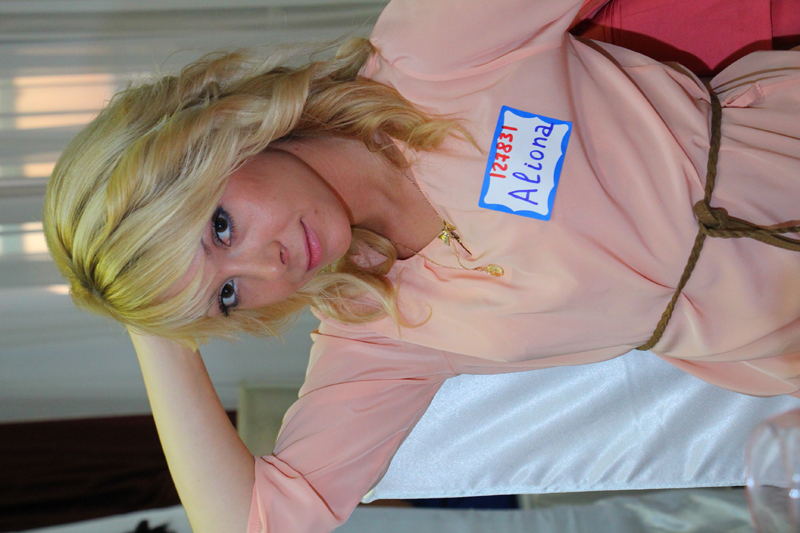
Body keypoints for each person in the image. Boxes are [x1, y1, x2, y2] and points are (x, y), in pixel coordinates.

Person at [42, 0, 800, 532]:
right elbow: (255, 524)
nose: (267, 266)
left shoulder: (432, 52)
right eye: (230, 295)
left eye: (219, 227)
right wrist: (154, 327)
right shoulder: (380, 331)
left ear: (216, 138)